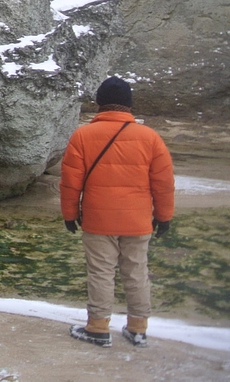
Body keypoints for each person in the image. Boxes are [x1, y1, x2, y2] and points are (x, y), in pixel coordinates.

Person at [60, 76, 175, 348]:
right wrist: (164, 216)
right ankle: (137, 328)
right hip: (137, 220)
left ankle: (98, 328)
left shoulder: (82, 135)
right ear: (130, 104)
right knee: (136, 272)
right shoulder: (150, 138)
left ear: (99, 103)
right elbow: (164, 182)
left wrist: (68, 214)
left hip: (98, 219)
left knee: (101, 272)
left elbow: (69, 182)